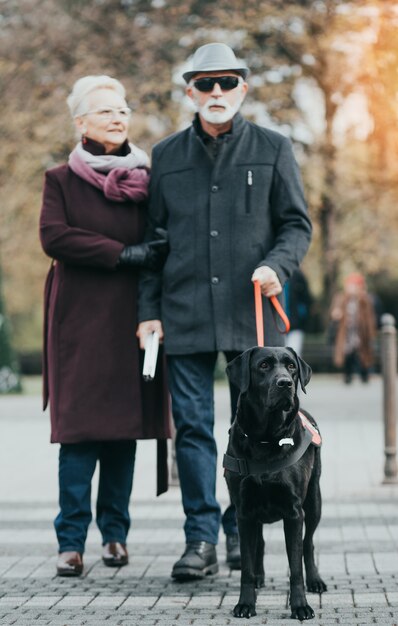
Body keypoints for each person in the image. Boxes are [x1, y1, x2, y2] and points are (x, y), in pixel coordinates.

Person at [138, 43, 312, 580]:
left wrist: (277, 266)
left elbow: (296, 225)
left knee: (253, 425)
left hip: (249, 313)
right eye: (205, 84)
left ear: (243, 87)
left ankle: (243, 533)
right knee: (192, 427)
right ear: (189, 89)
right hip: (183, 311)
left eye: (227, 83)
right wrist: (148, 309)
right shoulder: (165, 155)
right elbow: (153, 240)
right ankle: (200, 539)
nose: (217, 93)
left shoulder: (274, 148)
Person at [40, 75, 170, 577]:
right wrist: (123, 253)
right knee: (79, 435)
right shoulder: (60, 180)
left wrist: (148, 292)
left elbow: (160, 247)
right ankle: (69, 542)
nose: (117, 117)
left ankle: (115, 536)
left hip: (133, 320)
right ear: (81, 123)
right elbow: (55, 237)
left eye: (122, 110)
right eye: (105, 111)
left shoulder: (147, 180)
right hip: (76, 320)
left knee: (121, 433)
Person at [329, 272, 377, 384]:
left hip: (360, 332)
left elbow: (370, 318)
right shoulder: (341, 298)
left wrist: (370, 333)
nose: (350, 288)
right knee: (347, 353)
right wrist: (336, 314)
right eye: (349, 285)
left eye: (353, 286)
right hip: (345, 332)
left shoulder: (365, 300)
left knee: (362, 354)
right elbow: (333, 312)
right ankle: (348, 376)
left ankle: (364, 374)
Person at [285, 268, 313, 357]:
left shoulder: (297, 275)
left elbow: (307, 299)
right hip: (275, 326)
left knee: (293, 355)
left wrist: (301, 315)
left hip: (295, 325)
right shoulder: (270, 273)